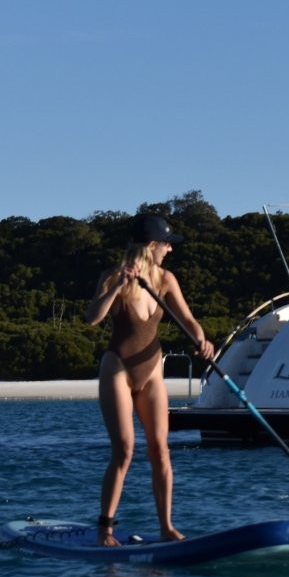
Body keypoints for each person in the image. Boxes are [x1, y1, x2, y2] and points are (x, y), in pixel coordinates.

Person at [85, 214, 215, 547]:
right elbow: (92, 319)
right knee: (125, 450)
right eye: (167, 244)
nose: (170, 249)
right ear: (152, 245)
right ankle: (105, 530)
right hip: (117, 369)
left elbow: (188, 319)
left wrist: (202, 340)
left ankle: (167, 528)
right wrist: (117, 285)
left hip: (152, 370)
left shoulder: (166, 279)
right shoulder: (113, 275)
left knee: (160, 450)